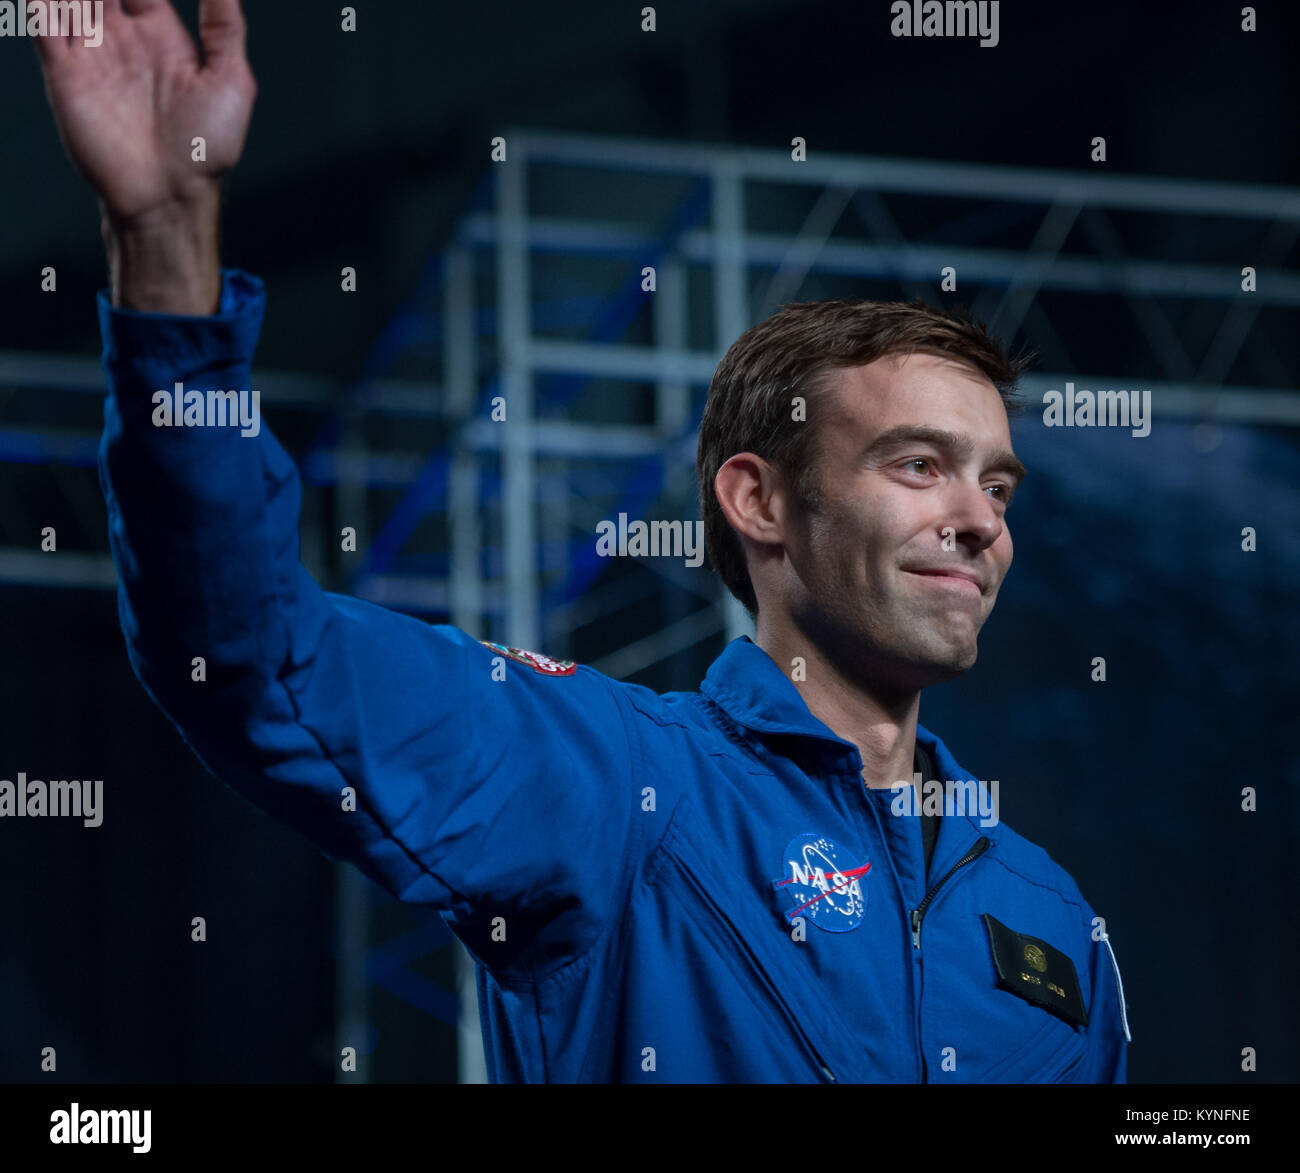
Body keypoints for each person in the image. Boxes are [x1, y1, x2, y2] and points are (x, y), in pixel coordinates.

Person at [37, 0, 1130, 1082]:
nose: (981, 519)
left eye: (997, 483)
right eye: (917, 465)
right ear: (757, 503)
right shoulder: (612, 779)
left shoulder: (1051, 919)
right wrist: (168, 246)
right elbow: (253, 654)